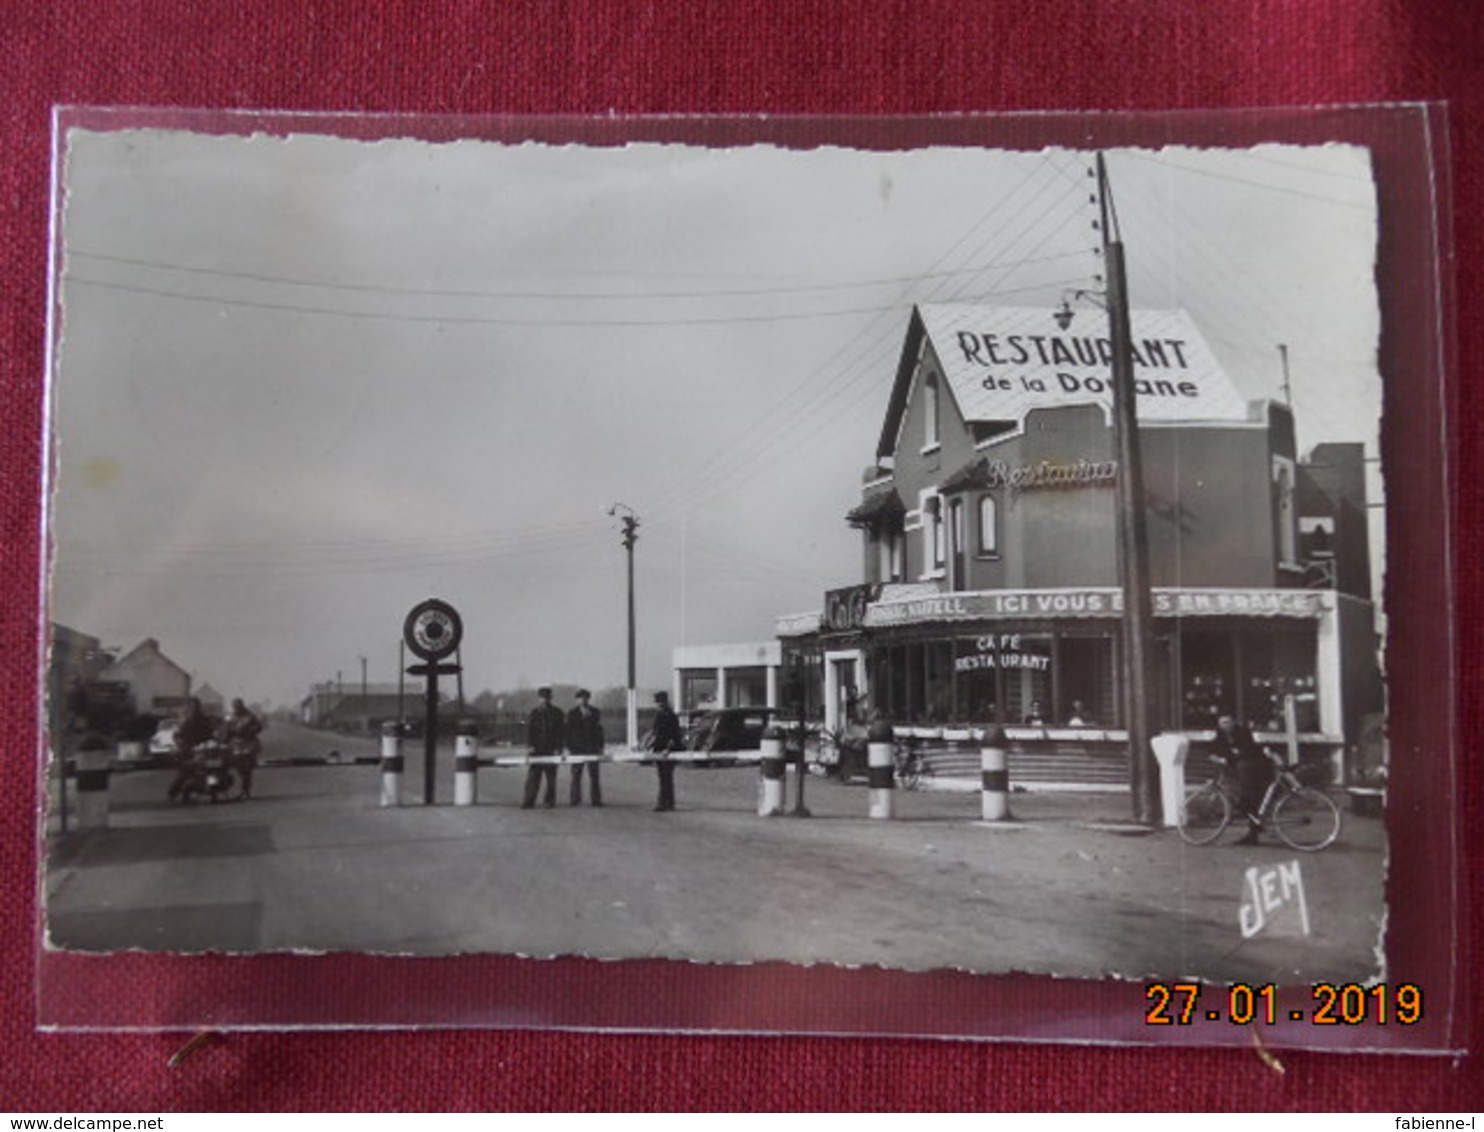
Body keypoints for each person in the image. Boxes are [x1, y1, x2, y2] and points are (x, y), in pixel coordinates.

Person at [1212, 714, 1274, 845]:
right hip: (1242, 769)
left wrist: (1228, 758)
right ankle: (1253, 833)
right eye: (1222, 723)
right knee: (1247, 800)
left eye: (1228, 722)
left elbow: (1246, 750)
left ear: (1234, 722)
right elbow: (1215, 747)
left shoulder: (1243, 732)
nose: (1225, 725)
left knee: (1249, 798)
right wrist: (1216, 756)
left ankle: (1254, 831)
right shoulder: (1221, 735)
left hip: (1256, 768)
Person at [522, 686, 564, 809]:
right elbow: (530, 731)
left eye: (546, 697)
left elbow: (561, 732)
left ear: (550, 698)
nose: (544, 700)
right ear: (539, 698)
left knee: (551, 777)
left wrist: (559, 747)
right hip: (537, 749)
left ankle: (549, 801)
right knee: (533, 776)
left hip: (551, 748)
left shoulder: (557, 713)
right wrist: (530, 746)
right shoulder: (534, 713)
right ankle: (529, 801)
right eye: (542, 697)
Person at [166, 697, 215, 801]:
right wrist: (181, 744)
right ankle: (175, 792)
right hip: (187, 748)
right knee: (186, 771)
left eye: (196, 706)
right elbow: (178, 734)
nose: (194, 708)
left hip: (201, 748)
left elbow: (210, 732)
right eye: (192, 706)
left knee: (209, 769)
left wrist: (213, 740)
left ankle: (210, 787)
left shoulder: (203, 719)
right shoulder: (186, 720)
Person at [566, 688, 604, 806]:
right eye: (580, 698)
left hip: (592, 747)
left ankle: (596, 800)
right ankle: (575, 799)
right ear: (577, 700)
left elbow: (599, 730)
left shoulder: (595, 712)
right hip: (577, 748)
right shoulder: (571, 714)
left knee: (594, 775)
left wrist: (601, 746)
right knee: (576, 774)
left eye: (585, 698)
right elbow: (568, 731)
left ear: (588, 699)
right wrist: (569, 747)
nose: (583, 701)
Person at [649, 690, 684, 812]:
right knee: (664, 777)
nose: (658, 705)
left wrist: (667, 748)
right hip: (660, 749)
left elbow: (673, 734)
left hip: (667, 750)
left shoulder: (669, 715)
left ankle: (663, 803)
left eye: (659, 702)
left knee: (666, 777)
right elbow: (656, 733)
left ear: (663, 702)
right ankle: (668, 802)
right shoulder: (660, 715)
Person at [225, 698, 263, 800]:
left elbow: (259, 727)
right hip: (236, 744)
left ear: (242, 706)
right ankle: (229, 789)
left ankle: (245, 791)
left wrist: (249, 731)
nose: (236, 708)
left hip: (248, 744)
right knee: (235, 766)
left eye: (238, 706)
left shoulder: (250, 716)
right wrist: (225, 740)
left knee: (246, 769)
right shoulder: (231, 717)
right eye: (234, 706)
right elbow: (227, 730)